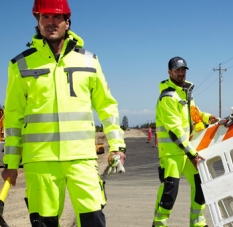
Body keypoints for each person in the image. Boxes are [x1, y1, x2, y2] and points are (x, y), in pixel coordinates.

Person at [2, 0, 126, 226]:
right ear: (37, 23)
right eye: (45, 18)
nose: (51, 23)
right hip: (40, 161)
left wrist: (117, 145)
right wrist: (10, 162)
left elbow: (107, 107)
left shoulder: (89, 61)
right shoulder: (20, 65)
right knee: (44, 223)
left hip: (82, 160)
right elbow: (13, 117)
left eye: (56, 17)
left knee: (94, 220)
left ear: (67, 22)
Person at [152, 56, 219, 227]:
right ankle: (159, 224)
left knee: (200, 184)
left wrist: (207, 117)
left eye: (183, 70)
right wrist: (192, 154)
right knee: (170, 192)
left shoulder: (185, 93)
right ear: (170, 72)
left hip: (188, 150)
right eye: (177, 70)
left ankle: (198, 222)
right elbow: (175, 131)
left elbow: (194, 114)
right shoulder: (167, 97)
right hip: (173, 153)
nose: (181, 73)